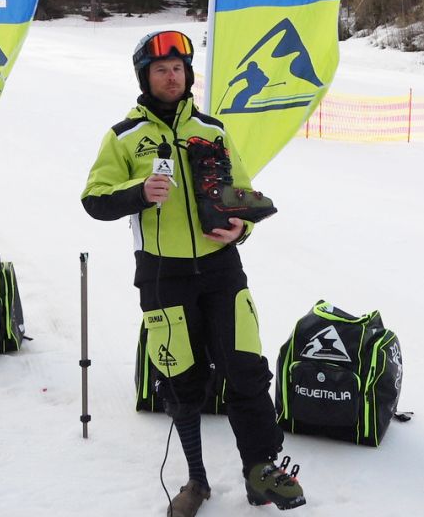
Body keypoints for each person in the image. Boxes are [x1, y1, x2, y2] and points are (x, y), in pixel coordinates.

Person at [81, 30, 303, 517]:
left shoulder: (213, 130)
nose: (171, 76)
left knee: (245, 369)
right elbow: (94, 200)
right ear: (145, 76)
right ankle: (196, 481)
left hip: (223, 270)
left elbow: (242, 193)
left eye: (178, 68)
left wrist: (241, 227)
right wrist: (139, 192)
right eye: (161, 69)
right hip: (163, 274)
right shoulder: (123, 137)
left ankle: (260, 469)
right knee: (182, 380)